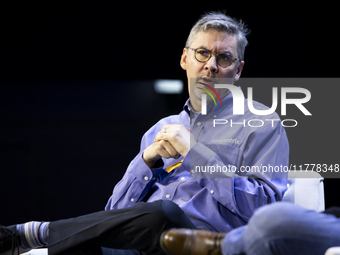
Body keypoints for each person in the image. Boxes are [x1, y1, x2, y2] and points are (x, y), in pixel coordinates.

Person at [0, 11, 289, 255]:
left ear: (238, 71)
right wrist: (146, 162)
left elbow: (265, 211)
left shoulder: (262, 123)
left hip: (202, 246)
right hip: (138, 246)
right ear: (184, 59)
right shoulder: (160, 129)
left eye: (224, 58)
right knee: (81, 244)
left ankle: (32, 234)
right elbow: (114, 214)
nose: (211, 65)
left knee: (163, 214)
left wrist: (195, 153)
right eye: (202, 53)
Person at [160, 202, 340, 255]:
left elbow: (254, 202)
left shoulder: (264, 127)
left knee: (272, 221)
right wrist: (148, 163)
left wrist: (197, 155)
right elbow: (130, 200)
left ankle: (225, 246)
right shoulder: (163, 127)